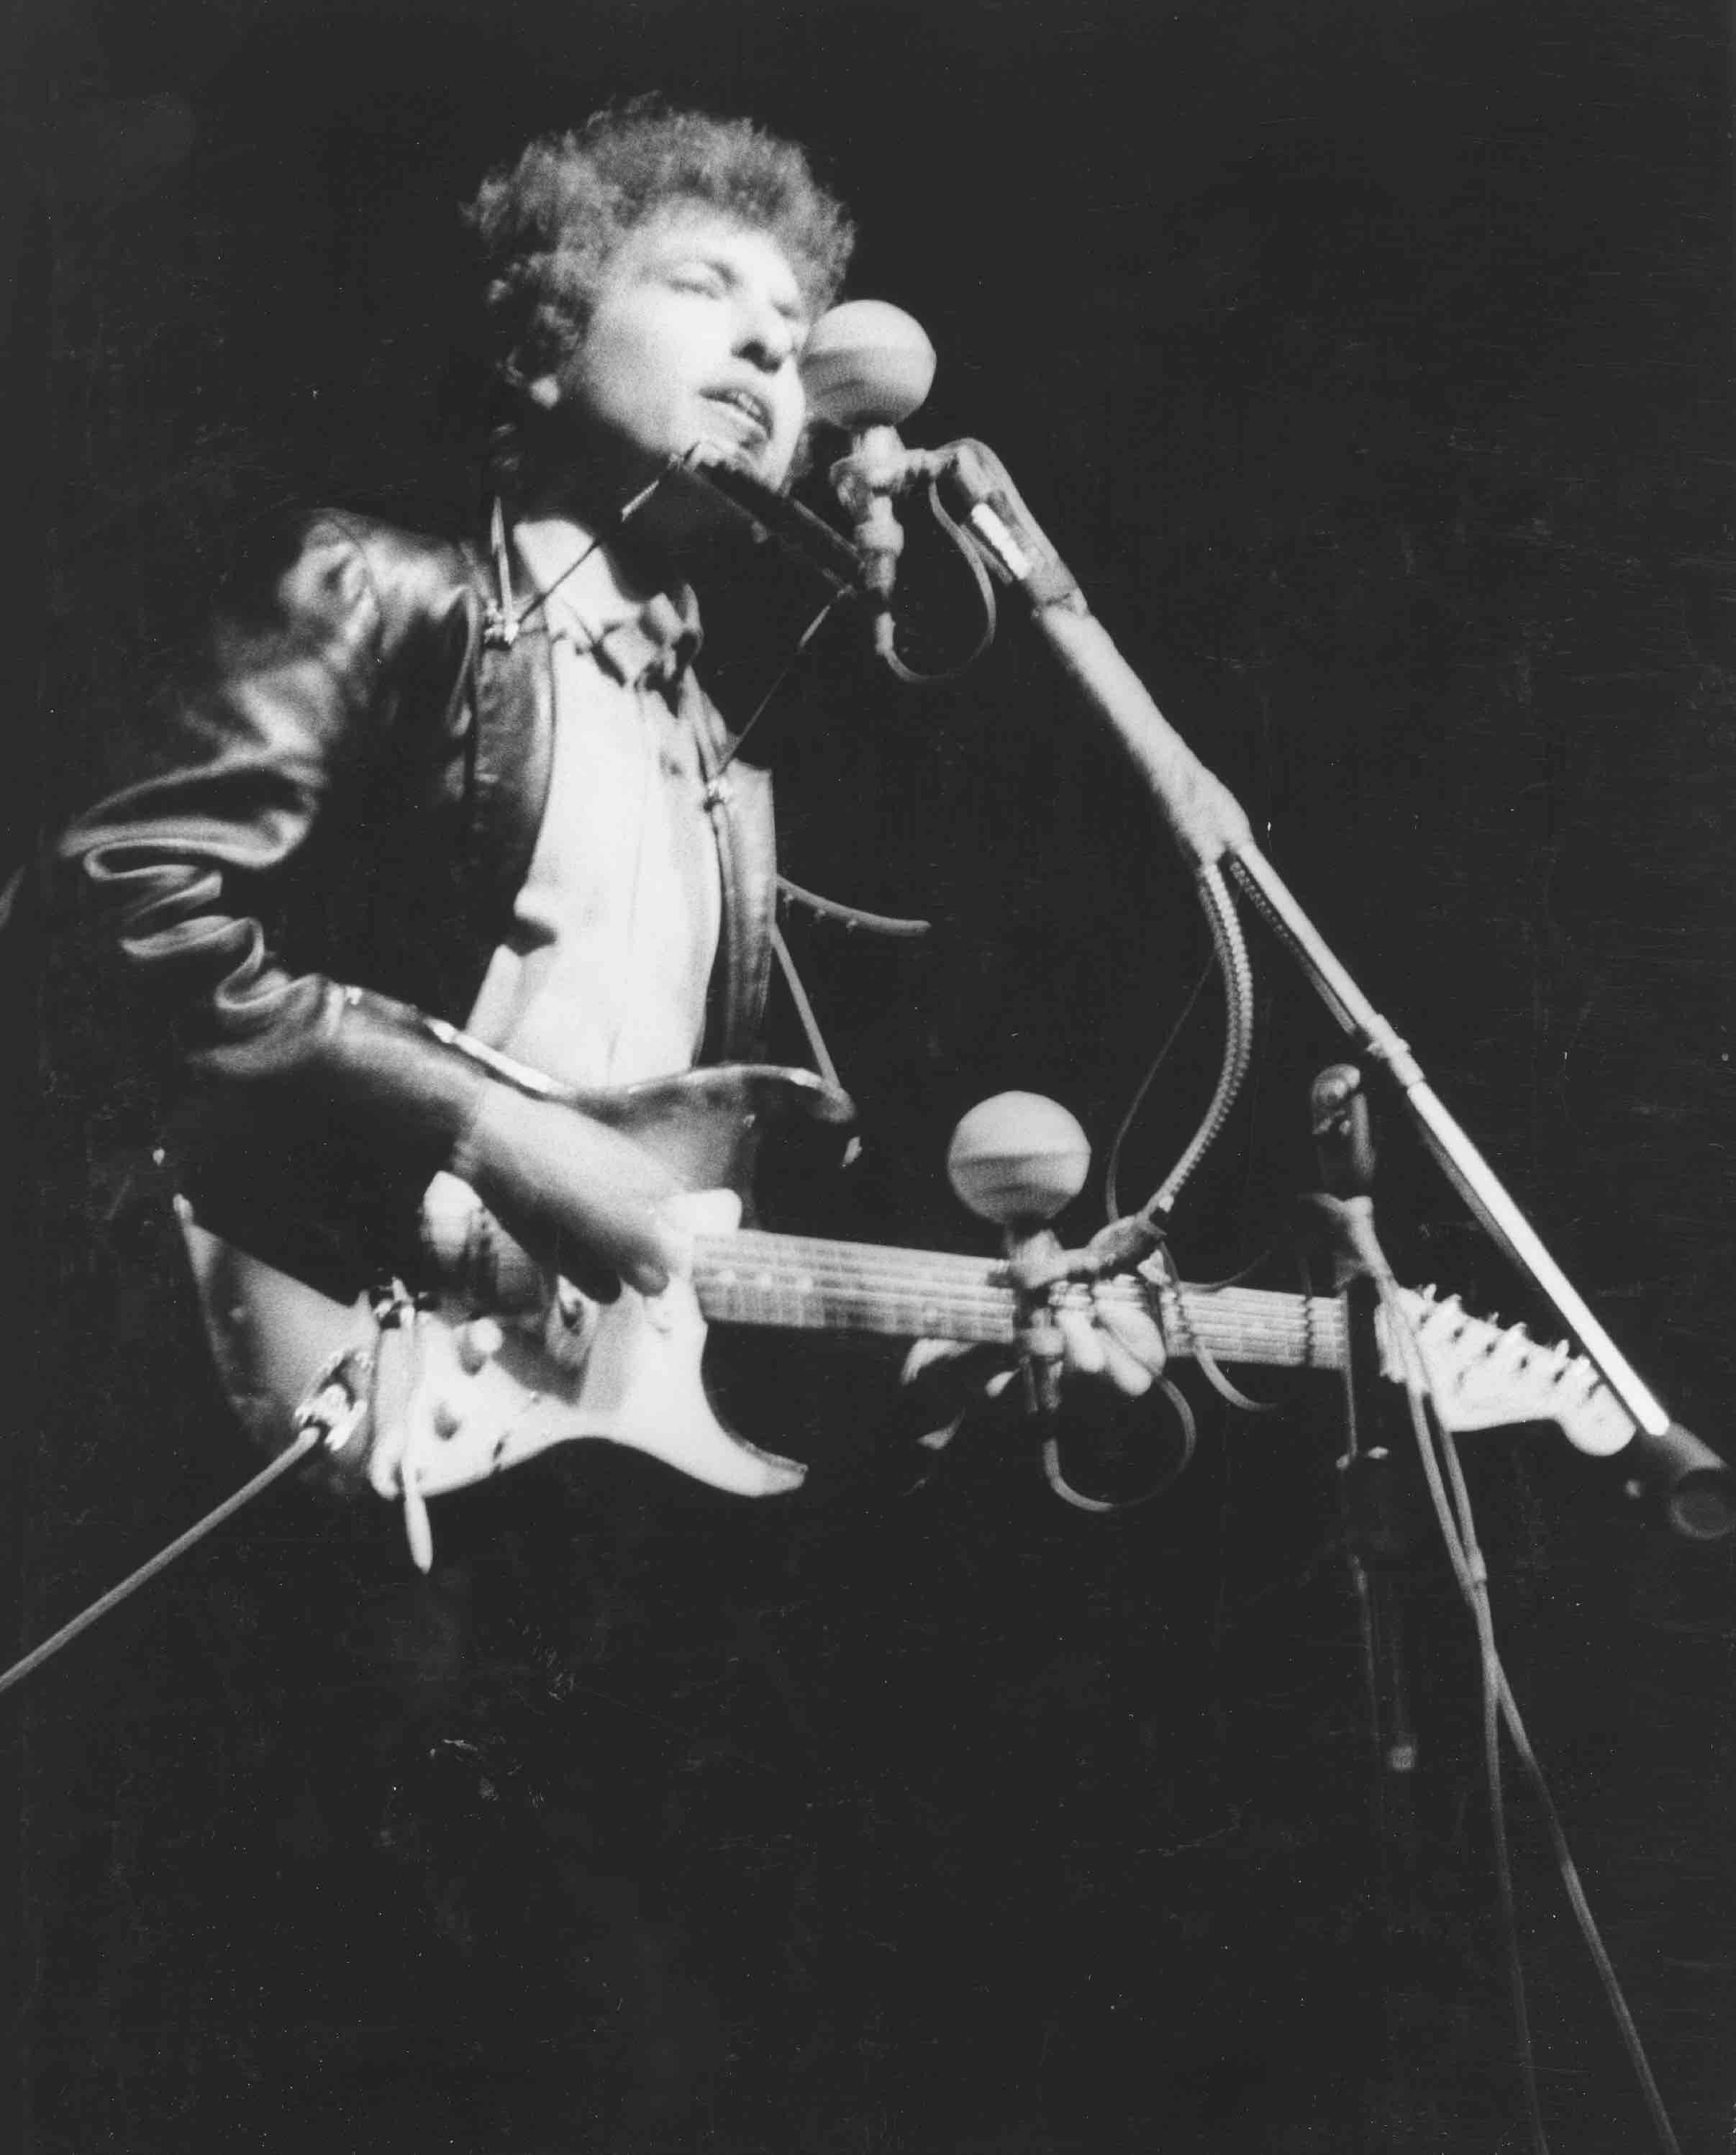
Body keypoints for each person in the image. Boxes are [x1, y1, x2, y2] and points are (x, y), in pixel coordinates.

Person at [48, 99, 1168, 2149]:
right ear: (549, 337)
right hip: (300, 1391)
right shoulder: (379, 588)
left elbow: (696, 1214)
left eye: (798, 318)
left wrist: (949, 1361)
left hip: (566, 1506)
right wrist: (489, 1124)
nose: (772, 346)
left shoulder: (725, 772)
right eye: (705, 290)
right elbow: (119, 909)